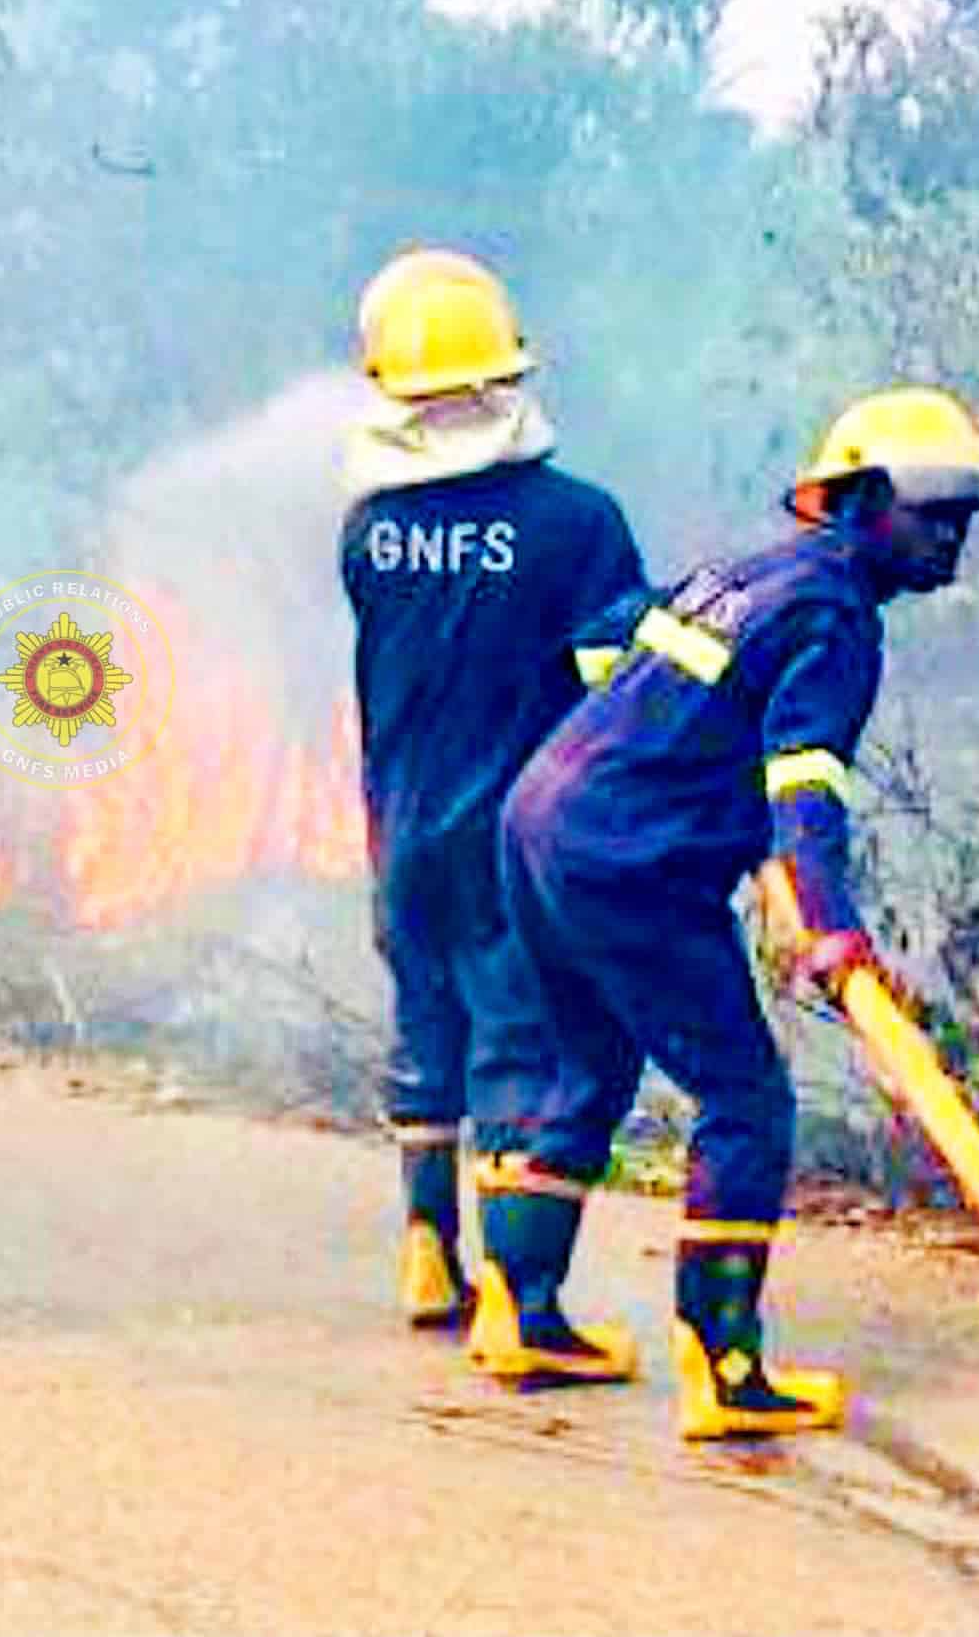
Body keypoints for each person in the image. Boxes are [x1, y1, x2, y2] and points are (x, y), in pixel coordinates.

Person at [465, 385, 979, 1435]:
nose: (947, 536)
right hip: (629, 863)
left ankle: (515, 1312)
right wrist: (826, 919)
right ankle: (723, 1367)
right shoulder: (834, 614)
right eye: (928, 510)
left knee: (586, 1068)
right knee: (745, 1098)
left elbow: (604, 638)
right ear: (853, 501)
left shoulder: (745, 573)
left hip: (537, 822)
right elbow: (803, 780)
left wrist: (659, 752)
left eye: (960, 517)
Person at [338, 247, 645, 1327]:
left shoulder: (368, 530)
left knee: (427, 1027)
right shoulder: (581, 523)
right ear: (510, 374)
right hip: (519, 834)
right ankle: (524, 1305)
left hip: (401, 826)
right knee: (527, 1041)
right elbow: (622, 694)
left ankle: (426, 1250)